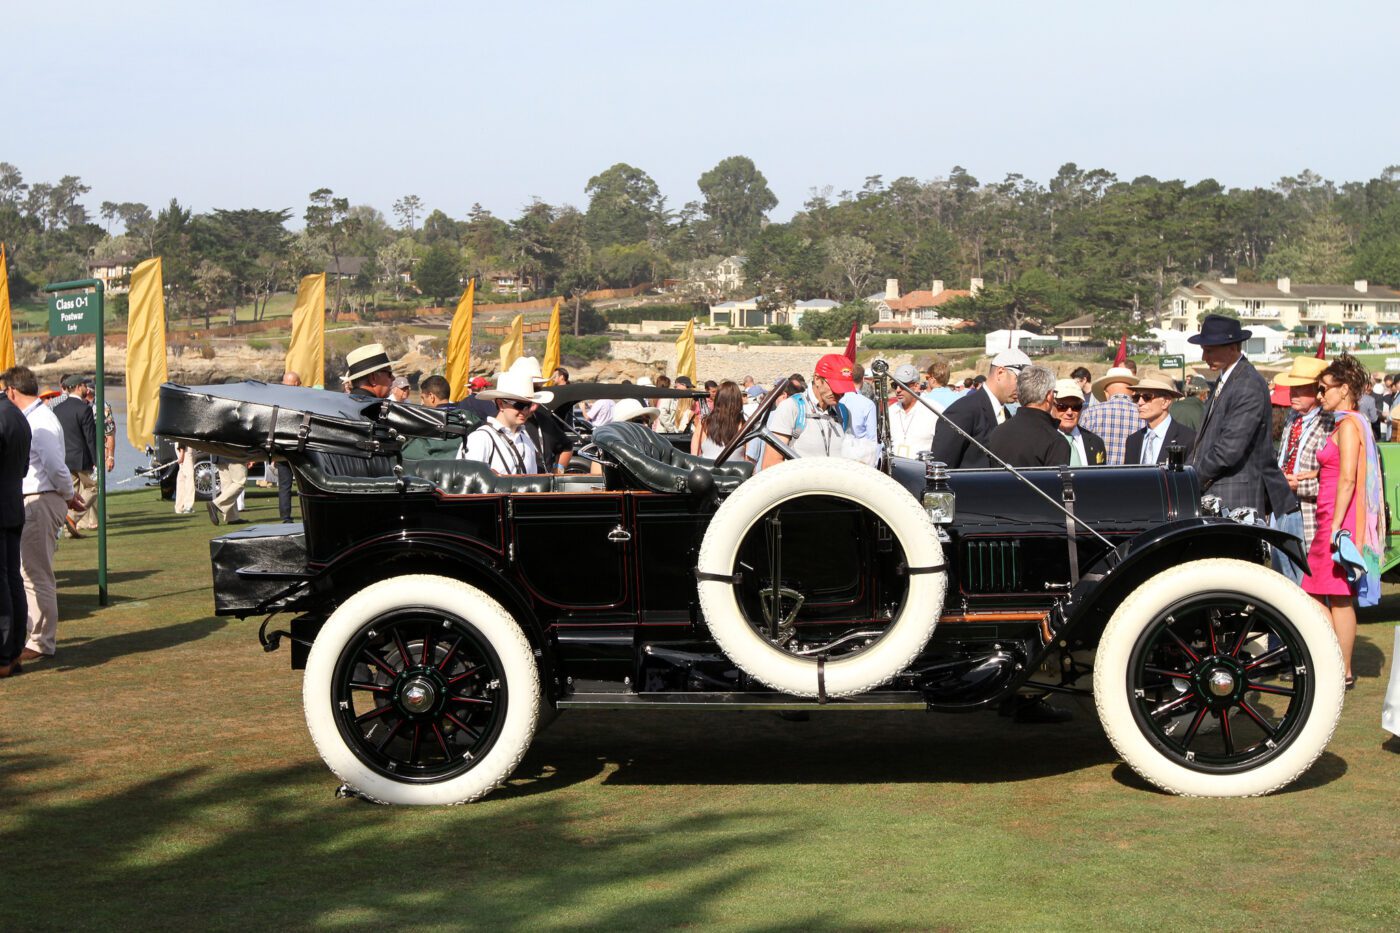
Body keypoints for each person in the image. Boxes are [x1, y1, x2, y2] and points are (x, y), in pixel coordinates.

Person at [1303, 355, 1383, 690]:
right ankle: (1338, 665)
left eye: (1325, 389)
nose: (1320, 395)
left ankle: (1343, 667)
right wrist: (1311, 474)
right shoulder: (1346, 423)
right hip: (1332, 516)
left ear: (1345, 389)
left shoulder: (1349, 425)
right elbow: (1336, 471)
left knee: (1331, 594)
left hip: (1338, 520)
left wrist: (1336, 527)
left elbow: (1348, 479)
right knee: (1326, 593)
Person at [1187, 315, 1297, 517]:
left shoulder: (1247, 383)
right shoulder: (1228, 380)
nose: (1204, 357)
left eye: (1209, 350)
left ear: (1232, 347)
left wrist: (1189, 478)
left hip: (1236, 496)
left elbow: (1228, 449)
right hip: (1223, 492)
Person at [4, 366, 78, 665]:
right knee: (28, 574)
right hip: (38, 498)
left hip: (41, 499)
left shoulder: (40, 421)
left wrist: (69, 495)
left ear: (11, 391)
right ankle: (34, 636)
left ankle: (41, 641)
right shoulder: (36, 418)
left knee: (36, 575)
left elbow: (55, 465)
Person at [1269, 356, 1330, 584]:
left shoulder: (1328, 421)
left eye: (1301, 389)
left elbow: (1334, 474)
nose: (1293, 394)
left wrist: (1301, 484)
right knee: (1282, 573)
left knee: (1304, 576)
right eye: (1292, 388)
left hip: (1308, 510)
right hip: (1283, 502)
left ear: (1317, 391)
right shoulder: (1293, 417)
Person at [929, 348, 1028, 468]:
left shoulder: (1005, 412)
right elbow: (941, 467)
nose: (1022, 388)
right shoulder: (963, 411)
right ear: (1000, 373)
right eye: (1019, 380)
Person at [761, 355, 852, 469]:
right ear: (817, 379)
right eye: (835, 387)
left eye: (844, 388)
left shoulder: (843, 412)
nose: (840, 393)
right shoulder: (791, 407)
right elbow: (771, 464)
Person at [461, 371, 545, 474]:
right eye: (519, 405)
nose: (525, 411)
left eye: (528, 405)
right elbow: (465, 482)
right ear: (500, 404)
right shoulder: (480, 439)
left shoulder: (526, 439)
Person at [0, 386, 29, 678]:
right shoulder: (17, 415)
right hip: (13, 505)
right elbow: (23, 467)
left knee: (4, 582)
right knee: (12, 578)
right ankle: (15, 651)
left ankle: (5, 655)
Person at [987, 365, 1070, 468]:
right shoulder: (1055, 441)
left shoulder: (997, 433)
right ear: (1049, 396)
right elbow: (1055, 483)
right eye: (1054, 393)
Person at [51, 374, 97, 538]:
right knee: (93, 488)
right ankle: (72, 517)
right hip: (82, 458)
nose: (87, 388)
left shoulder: (58, 409)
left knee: (71, 493)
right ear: (78, 387)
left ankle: (68, 531)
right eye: (85, 385)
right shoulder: (84, 409)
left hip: (64, 458)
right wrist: (96, 460)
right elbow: (90, 438)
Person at [1124, 376, 1195, 465]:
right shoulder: (1133, 441)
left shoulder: (1188, 439)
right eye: (1136, 397)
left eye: (1147, 397)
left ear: (1165, 402)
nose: (1140, 402)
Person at [1080, 366, 1139, 465]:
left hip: (1099, 476)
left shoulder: (1090, 413)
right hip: (1133, 477)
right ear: (1133, 392)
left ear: (1106, 393)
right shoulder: (1143, 414)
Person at [1052, 379, 1106, 466]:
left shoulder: (1096, 442)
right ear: (1051, 405)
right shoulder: (1042, 441)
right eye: (1062, 407)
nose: (1069, 412)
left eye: (1076, 407)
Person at [889, 364, 939, 458]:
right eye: (895, 385)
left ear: (916, 387)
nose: (897, 390)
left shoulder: (933, 410)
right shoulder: (890, 411)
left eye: (902, 385)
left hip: (922, 470)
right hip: (893, 469)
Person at [692, 381, 746, 460]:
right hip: (734, 471)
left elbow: (694, 454)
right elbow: (749, 460)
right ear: (737, 401)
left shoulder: (705, 424)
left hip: (707, 470)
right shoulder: (744, 427)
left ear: (718, 400)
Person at [275, 371, 301, 522]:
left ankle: (286, 517)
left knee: (284, 486)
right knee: (301, 485)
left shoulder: (277, 402)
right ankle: (288, 516)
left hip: (284, 449)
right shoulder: (303, 400)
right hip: (296, 449)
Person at [841, 362, 878, 441]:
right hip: (860, 450)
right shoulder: (868, 404)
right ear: (863, 379)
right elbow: (872, 437)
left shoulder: (838, 400)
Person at [173, 442, 197, 514]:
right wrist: (182, 451)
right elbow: (182, 433)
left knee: (182, 477)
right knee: (189, 476)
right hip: (185, 446)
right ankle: (187, 506)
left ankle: (179, 506)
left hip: (183, 445)